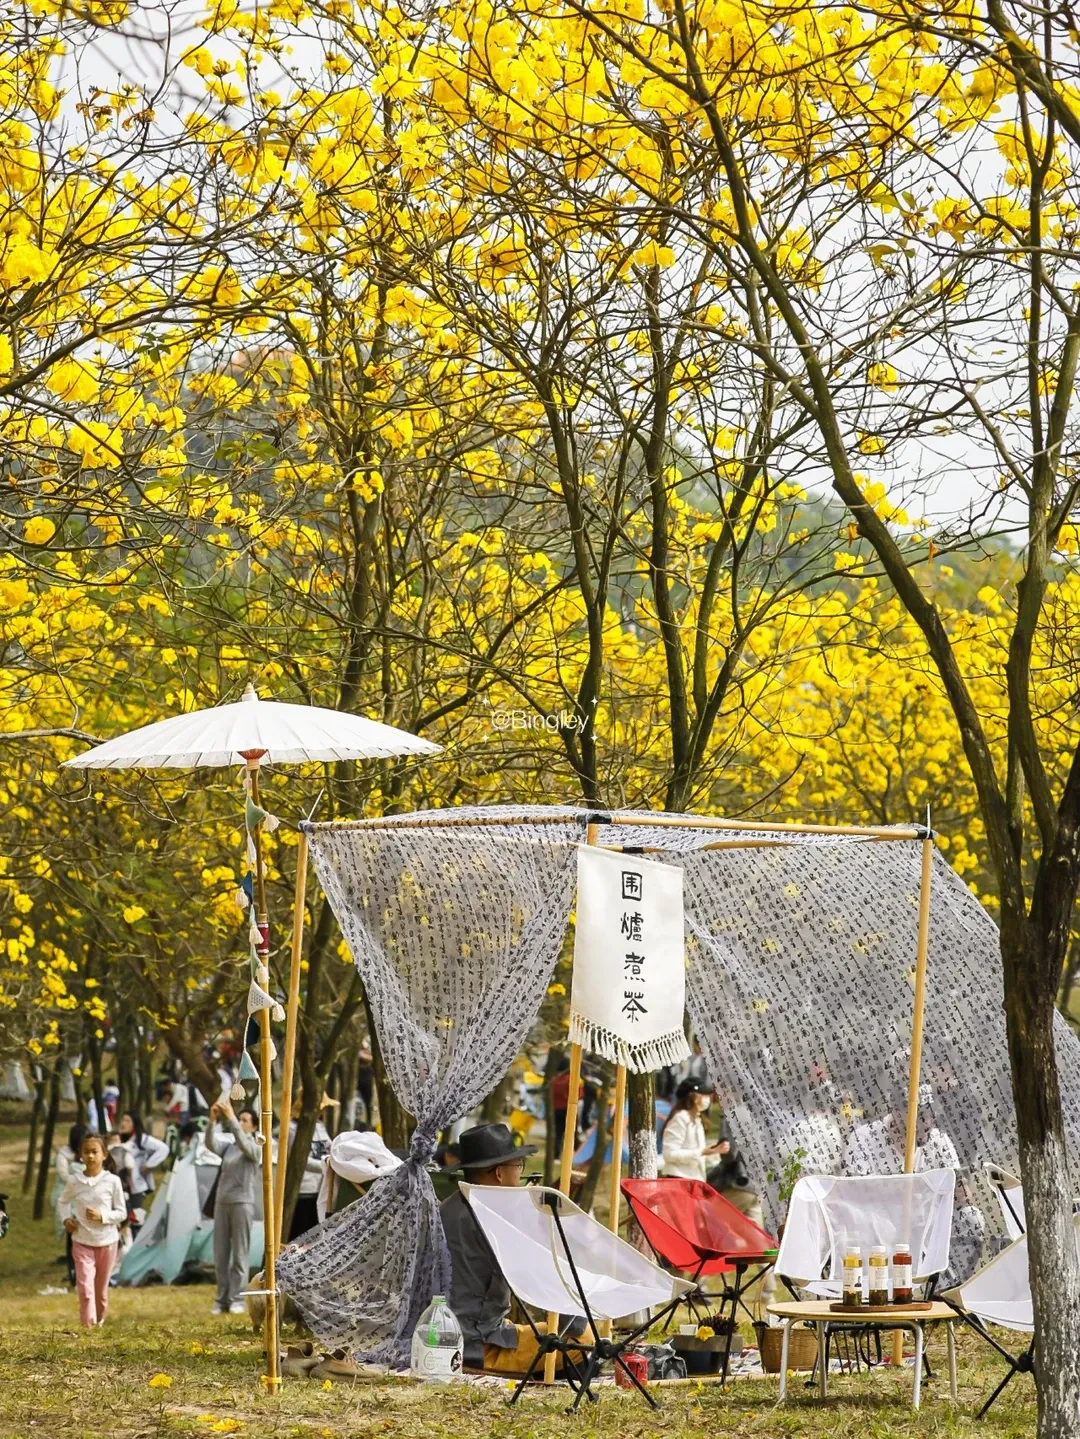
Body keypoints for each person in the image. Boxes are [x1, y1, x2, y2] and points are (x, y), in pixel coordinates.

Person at [441, 1122, 583, 1374]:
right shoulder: (496, 1219)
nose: (520, 1173)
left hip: (436, 1331)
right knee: (582, 1341)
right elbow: (542, 1285)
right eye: (518, 1166)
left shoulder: (448, 1207)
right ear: (499, 1173)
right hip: (475, 1344)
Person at [60, 1134, 127, 1327]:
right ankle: (87, 1326)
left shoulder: (112, 1181)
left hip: (107, 1242)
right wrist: (66, 1219)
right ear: (80, 1155)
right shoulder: (74, 1181)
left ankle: (99, 1320)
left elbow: (122, 1212)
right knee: (85, 1288)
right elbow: (62, 1202)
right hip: (82, 1241)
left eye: (94, 1152)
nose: (90, 1156)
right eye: (86, 1152)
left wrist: (103, 1216)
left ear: (104, 1155)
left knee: (100, 1291)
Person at [204, 1099, 260, 1315]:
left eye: (245, 1120)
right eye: (240, 1120)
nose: (241, 1123)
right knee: (220, 1254)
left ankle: (237, 1298)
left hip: (242, 1203)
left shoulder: (256, 1146)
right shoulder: (229, 1148)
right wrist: (212, 1121)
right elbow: (210, 1144)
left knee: (239, 1254)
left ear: (254, 1127)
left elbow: (247, 1147)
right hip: (222, 1203)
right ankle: (221, 1300)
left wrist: (232, 1119)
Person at [284, 1094, 337, 1240]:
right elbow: (301, 1161)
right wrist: (327, 1165)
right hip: (302, 1191)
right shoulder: (292, 1129)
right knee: (299, 1237)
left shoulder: (320, 1126)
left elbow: (330, 1147)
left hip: (320, 1190)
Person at [115, 1112, 169, 1236]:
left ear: (135, 1124)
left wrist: (149, 1165)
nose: (123, 1123)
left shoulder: (142, 1139)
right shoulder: (119, 1140)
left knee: (136, 1219)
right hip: (120, 1187)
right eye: (122, 1120)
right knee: (122, 1219)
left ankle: (137, 1242)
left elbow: (163, 1149)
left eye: (127, 1121)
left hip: (136, 1187)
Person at [661, 1079, 723, 1180]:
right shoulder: (680, 1118)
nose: (707, 1099)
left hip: (694, 1179)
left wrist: (714, 1151)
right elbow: (669, 1154)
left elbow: (698, 1154)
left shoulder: (697, 1119)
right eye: (703, 1095)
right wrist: (701, 1152)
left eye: (708, 1096)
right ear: (691, 1096)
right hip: (679, 1179)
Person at [52, 1123, 88, 1282]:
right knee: (72, 1234)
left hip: (85, 1196)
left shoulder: (88, 1153)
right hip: (68, 1196)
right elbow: (63, 1175)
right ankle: (72, 1270)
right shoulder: (64, 1154)